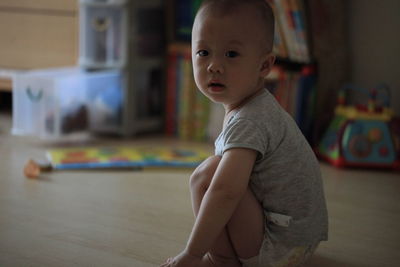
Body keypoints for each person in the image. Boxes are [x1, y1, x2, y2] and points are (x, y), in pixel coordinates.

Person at [161, 0, 328, 266]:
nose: (214, 65)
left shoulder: (250, 120)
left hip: (281, 247)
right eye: (203, 52)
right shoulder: (256, 106)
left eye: (231, 54)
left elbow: (225, 193)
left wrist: (192, 253)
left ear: (264, 66)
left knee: (207, 178)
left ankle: (221, 260)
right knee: (216, 171)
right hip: (297, 239)